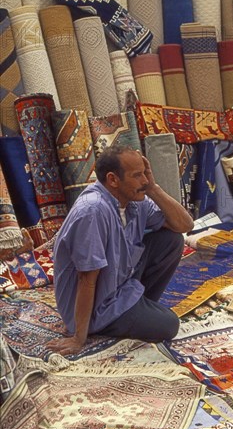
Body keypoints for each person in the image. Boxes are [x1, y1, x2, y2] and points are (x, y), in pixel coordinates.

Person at [46, 145, 194, 356]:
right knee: (170, 325)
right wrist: (79, 338)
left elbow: (184, 225)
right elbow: (87, 279)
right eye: (137, 176)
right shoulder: (92, 211)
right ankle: (109, 322)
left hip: (120, 285)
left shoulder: (136, 201)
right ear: (113, 180)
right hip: (99, 304)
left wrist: (153, 188)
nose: (144, 181)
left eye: (145, 173)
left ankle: (137, 309)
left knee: (171, 240)